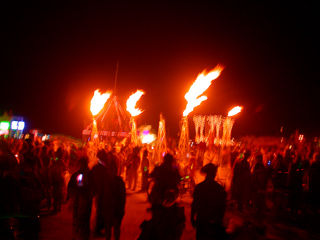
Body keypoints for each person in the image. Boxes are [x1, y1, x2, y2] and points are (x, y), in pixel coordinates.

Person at [191, 163, 227, 240]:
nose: (214, 174)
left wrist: (192, 218)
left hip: (202, 220)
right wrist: (219, 219)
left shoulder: (200, 187)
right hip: (212, 220)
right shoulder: (218, 188)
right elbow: (222, 206)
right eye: (214, 172)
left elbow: (195, 204)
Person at [67, 157, 93, 240]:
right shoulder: (90, 174)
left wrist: (74, 195)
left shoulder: (80, 174)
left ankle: (78, 236)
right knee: (84, 219)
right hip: (86, 199)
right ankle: (83, 236)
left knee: (79, 219)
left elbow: (78, 186)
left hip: (80, 200)